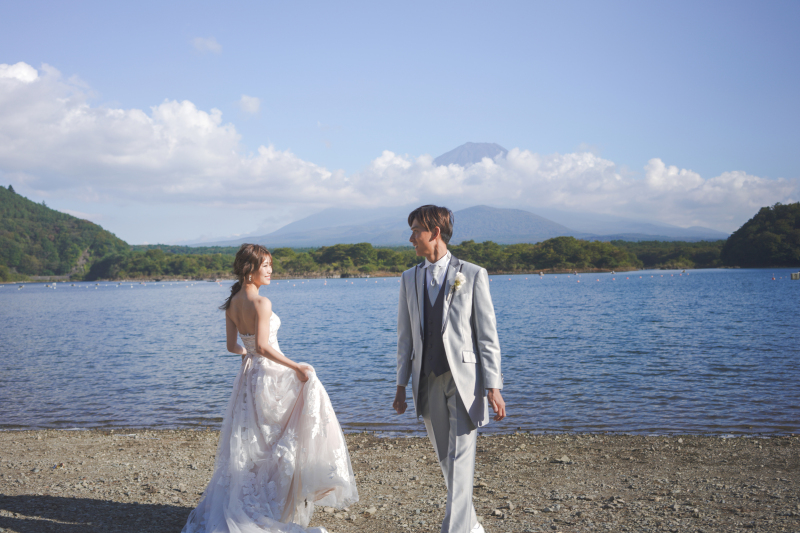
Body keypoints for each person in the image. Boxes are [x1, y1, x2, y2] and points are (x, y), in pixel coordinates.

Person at [182, 244, 357, 533]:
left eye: (271, 265)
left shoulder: (232, 303)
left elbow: (232, 347)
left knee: (257, 440)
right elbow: (263, 346)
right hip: (269, 375)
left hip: (249, 377)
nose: (271, 271)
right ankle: (281, 496)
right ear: (250, 270)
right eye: (266, 266)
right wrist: (295, 366)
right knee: (286, 423)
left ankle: (265, 496)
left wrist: (247, 356)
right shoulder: (262, 303)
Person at [393, 205, 506, 533]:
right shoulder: (408, 278)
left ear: (435, 233)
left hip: (464, 382)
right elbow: (405, 337)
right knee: (448, 462)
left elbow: (487, 335)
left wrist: (494, 386)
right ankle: (471, 526)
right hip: (426, 381)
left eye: (416, 230)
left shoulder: (471, 274)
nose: (411, 237)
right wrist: (401, 386)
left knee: (460, 462)